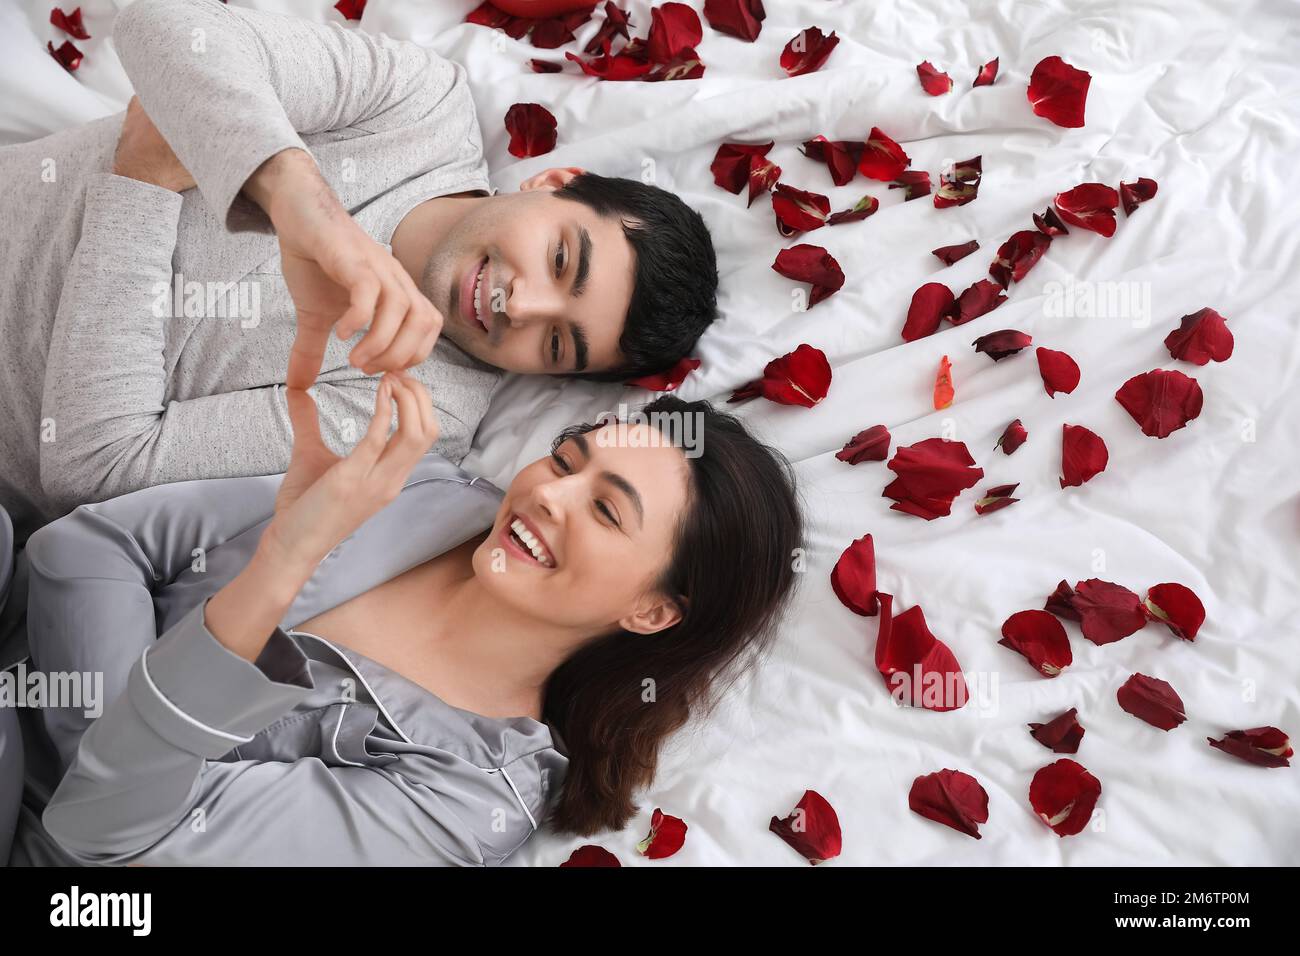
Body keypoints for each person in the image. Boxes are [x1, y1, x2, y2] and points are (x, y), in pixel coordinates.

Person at [0, 0, 719, 544]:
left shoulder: (414, 416)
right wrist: (299, 201)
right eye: (562, 259)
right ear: (554, 180)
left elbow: (93, 466)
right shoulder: (419, 109)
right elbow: (163, 26)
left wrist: (143, 188)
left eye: (556, 344)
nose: (521, 305)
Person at [0, 380, 802, 866]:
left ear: (652, 610)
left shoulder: (462, 796)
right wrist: (108, 740)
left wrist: (284, 559)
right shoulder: (433, 495)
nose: (548, 495)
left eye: (604, 509)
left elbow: (105, 837)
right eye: (565, 460)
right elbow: (87, 542)